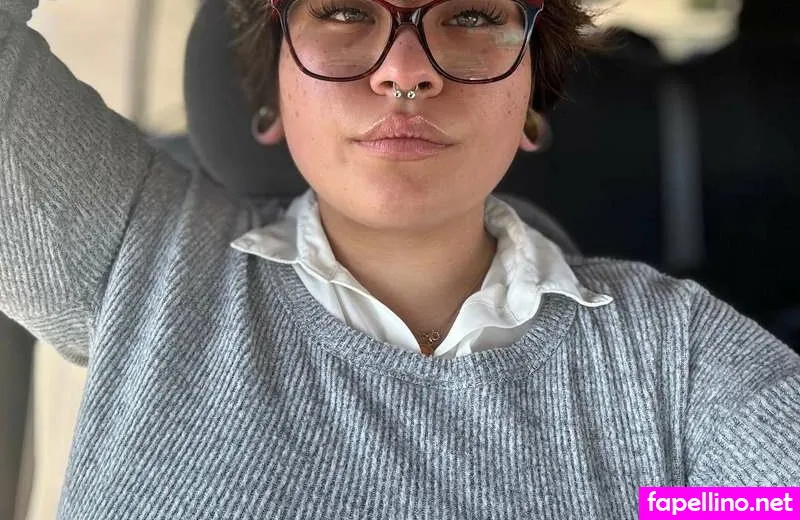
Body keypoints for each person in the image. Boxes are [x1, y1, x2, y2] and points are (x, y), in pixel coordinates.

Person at [0, 0, 798, 518]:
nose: (406, 72)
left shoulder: (672, 357)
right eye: (344, 11)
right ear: (271, 99)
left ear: (531, 103)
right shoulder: (139, 256)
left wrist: (669, 504)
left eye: (472, 16)